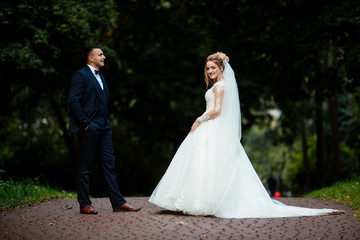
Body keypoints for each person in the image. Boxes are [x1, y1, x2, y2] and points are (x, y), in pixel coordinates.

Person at [149, 52, 341, 218]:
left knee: (208, 163)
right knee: (203, 164)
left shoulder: (220, 86)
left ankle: (208, 201)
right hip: (210, 128)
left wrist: (199, 119)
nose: (210, 72)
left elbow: (217, 110)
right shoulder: (218, 85)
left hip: (211, 126)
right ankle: (200, 199)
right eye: (207, 68)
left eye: (213, 68)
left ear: (221, 68)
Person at [68, 46, 141, 214]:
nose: (104, 57)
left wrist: (105, 123)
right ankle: (84, 204)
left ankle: (118, 202)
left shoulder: (101, 76)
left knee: (109, 165)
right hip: (89, 127)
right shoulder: (80, 75)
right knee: (86, 166)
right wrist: (86, 123)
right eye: (100, 54)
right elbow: (73, 101)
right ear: (90, 58)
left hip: (104, 127)